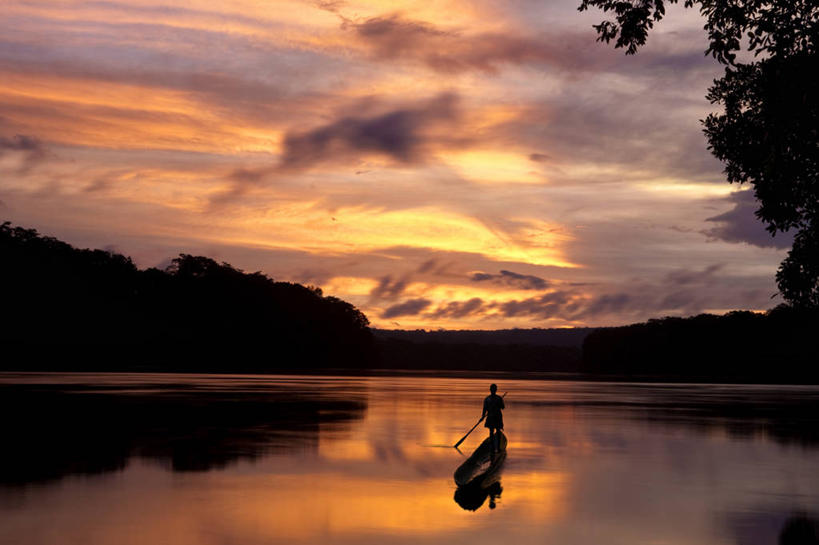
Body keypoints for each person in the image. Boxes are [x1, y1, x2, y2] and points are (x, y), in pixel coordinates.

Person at [481, 383, 504, 453]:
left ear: (495, 390)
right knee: (491, 432)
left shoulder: (499, 398)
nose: (493, 390)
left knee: (497, 431)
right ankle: (493, 447)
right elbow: (484, 409)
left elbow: (502, 407)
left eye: (494, 389)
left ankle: (498, 447)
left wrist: (498, 404)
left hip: (497, 417)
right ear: (491, 390)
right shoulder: (487, 399)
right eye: (492, 389)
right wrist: (482, 417)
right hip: (491, 417)